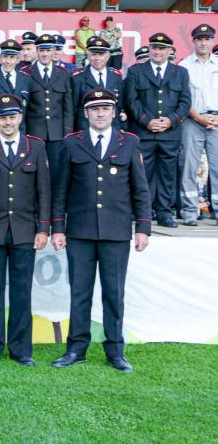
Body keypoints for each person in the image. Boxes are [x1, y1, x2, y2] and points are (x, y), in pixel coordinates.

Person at [51, 88, 151, 373]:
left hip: (116, 232)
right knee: (79, 293)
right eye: (94, 109)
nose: (100, 113)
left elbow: (140, 190)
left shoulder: (129, 142)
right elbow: (61, 191)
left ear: (113, 111)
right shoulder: (71, 144)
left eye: (105, 108)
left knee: (113, 294)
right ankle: (76, 349)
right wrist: (58, 227)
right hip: (80, 232)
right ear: (86, 113)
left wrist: (143, 227)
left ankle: (115, 352)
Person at [0, 94, 50, 367]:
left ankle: (21, 349)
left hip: (25, 231)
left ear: (20, 118)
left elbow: (43, 192)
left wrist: (43, 229)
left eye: (12, 116)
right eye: (3, 117)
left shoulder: (35, 147)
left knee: (21, 291)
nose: (8, 122)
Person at [124, 33, 192, 227]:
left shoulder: (180, 72)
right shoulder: (136, 70)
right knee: (141, 174)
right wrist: (148, 121)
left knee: (167, 175)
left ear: (170, 51)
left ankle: (163, 213)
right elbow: (131, 101)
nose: (157, 51)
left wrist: (170, 121)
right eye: (154, 47)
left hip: (169, 134)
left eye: (162, 48)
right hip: (144, 132)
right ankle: (141, 213)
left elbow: (185, 102)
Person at [178, 24, 218, 227]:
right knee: (189, 167)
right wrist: (198, 117)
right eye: (199, 39)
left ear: (212, 41)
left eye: (207, 39)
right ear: (193, 41)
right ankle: (189, 211)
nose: (203, 42)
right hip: (192, 121)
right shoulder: (184, 66)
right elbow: (183, 98)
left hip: (217, 121)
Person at [22, 34, 74, 184]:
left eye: (48, 50)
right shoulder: (26, 72)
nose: (45, 54)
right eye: (42, 50)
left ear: (54, 51)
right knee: (32, 172)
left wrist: (67, 132)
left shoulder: (63, 73)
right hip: (34, 132)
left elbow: (67, 106)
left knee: (56, 174)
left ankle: (54, 207)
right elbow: (24, 107)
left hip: (57, 134)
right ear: (37, 51)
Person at [71, 36, 126, 131]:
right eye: (93, 54)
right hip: (85, 130)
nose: (97, 58)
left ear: (108, 56)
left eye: (101, 54)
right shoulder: (77, 77)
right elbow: (73, 108)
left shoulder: (116, 75)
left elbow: (119, 105)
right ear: (88, 55)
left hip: (112, 129)